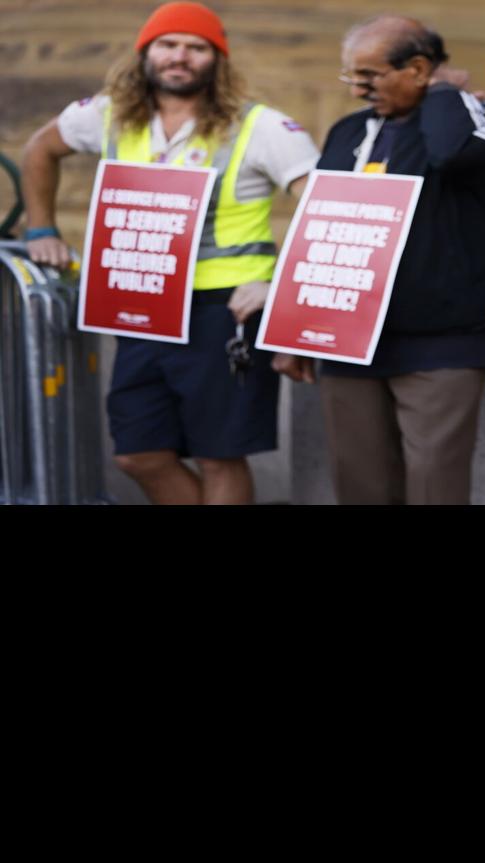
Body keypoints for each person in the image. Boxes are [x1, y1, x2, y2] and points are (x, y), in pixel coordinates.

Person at [20, 1, 318, 504]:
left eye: (196, 47)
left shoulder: (262, 126)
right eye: (168, 44)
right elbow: (39, 150)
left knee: (219, 453)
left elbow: (326, 208)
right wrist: (41, 229)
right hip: (142, 305)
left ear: (217, 60)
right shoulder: (108, 114)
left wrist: (284, 287)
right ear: (145, 54)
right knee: (138, 453)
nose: (180, 56)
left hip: (224, 310)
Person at [274, 15, 485, 504]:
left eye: (368, 77)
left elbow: (451, 154)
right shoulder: (350, 131)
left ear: (417, 68)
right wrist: (297, 328)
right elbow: (324, 226)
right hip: (349, 343)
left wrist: (441, 95)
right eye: (350, 77)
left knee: (436, 489)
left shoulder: (484, 117)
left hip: (442, 346)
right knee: (361, 488)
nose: (356, 91)